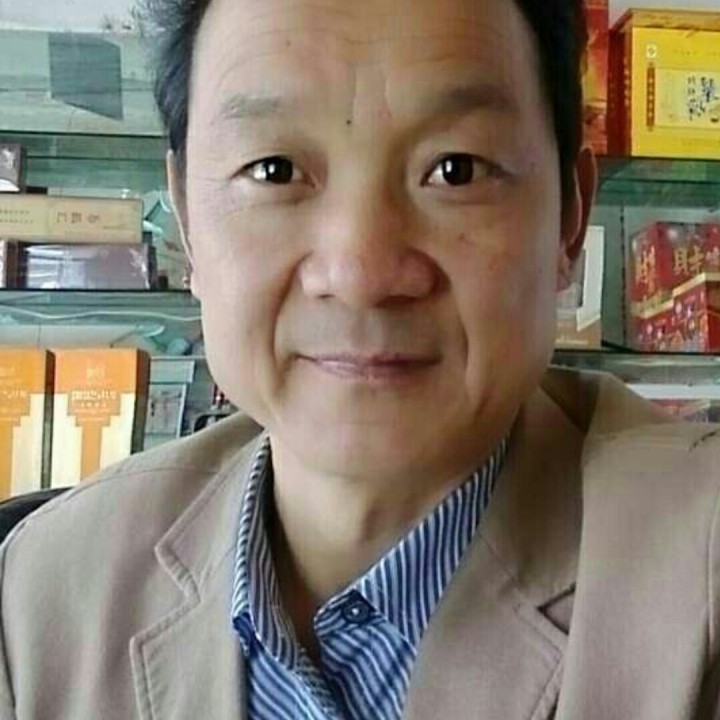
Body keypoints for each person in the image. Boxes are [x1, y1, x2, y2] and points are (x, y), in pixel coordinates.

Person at [1, 0, 719, 717]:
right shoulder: (45, 591)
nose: (361, 272)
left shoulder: (698, 577)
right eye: (275, 170)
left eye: (456, 170)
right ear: (187, 220)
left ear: (569, 217)